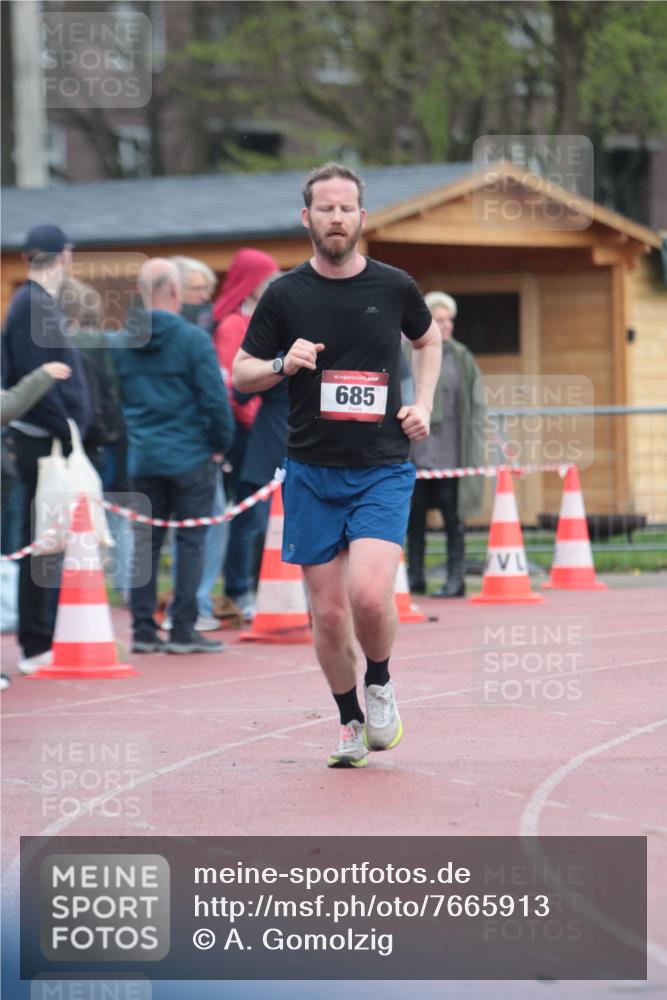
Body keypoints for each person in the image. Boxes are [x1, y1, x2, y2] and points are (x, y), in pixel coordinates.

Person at [233, 162, 441, 769]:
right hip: (311, 471)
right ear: (307, 218)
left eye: (346, 208)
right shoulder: (286, 294)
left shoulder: (394, 287)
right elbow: (242, 373)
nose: (336, 217)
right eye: (325, 208)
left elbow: (428, 342)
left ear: (361, 217)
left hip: (380, 466)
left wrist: (423, 402)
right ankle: (350, 720)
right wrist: (282, 362)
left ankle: (378, 681)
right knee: (326, 614)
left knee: (370, 597)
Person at [112, 258, 234, 654]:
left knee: (145, 544)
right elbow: (215, 401)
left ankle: (143, 629)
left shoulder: (121, 341)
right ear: (176, 293)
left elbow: (112, 399)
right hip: (190, 455)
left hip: (143, 456)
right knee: (191, 541)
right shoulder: (193, 340)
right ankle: (182, 626)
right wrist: (220, 444)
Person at [1, 224, 91, 675]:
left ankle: (42, 638)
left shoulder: (35, 305)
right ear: (65, 256)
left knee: (47, 541)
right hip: (41, 443)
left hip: (44, 438)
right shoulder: (33, 306)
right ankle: (37, 643)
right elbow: (40, 382)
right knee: (43, 541)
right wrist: (72, 428)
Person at [212, 248, 280, 618]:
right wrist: (262, 422)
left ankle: (255, 584)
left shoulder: (262, 320)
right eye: (267, 279)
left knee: (266, 517)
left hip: (262, 433)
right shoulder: (233, 326)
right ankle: (239, 588)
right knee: (248, 516)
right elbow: (234, 387)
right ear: (252, 284)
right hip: (245, 437)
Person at [406, 291, 485, 597]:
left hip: (452, 454)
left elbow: (476, 405)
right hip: (416, 453)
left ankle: (456, 577)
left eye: (449, 319)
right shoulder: (406, 351)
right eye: (439, 320)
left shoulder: (462, 357)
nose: (446, 325)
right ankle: (415, 576)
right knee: (414, 519)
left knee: (454, 519)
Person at [170, 256, 217, 331]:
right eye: (196, 289)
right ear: (174, 290)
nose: (205, 297)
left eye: (206, 288)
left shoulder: (214, 317)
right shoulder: (152, 323)